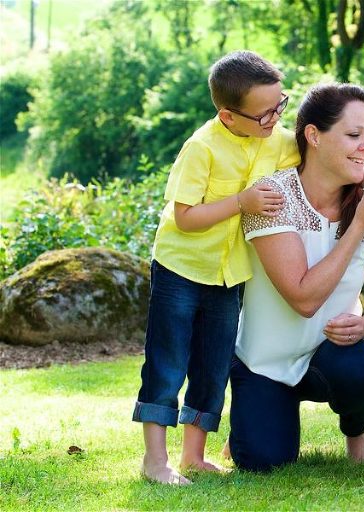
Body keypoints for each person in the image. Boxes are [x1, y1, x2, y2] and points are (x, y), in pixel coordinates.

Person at [132, 50, 300, 485]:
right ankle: (155, 461)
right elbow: (185, 217)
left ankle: (194, 455)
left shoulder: (279, 140)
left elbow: (320, 158)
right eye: (264, 114)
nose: (275, 119)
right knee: (168, 362)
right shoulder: (201, 147)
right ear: (228, 116)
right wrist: (240, 203)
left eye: (281, 105)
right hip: (181, 269)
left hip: (230, 274)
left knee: (214, 364)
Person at [227, 83, 364, 472]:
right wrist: (358, 226)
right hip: (264, 360)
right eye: (354, 135)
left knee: (356, 367)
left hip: (330, 355)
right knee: (263, 462)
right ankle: (251, 416)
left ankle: (356, 431)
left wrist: (363, 325)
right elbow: (303, 299)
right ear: (313, 136)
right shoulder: (271, 197)